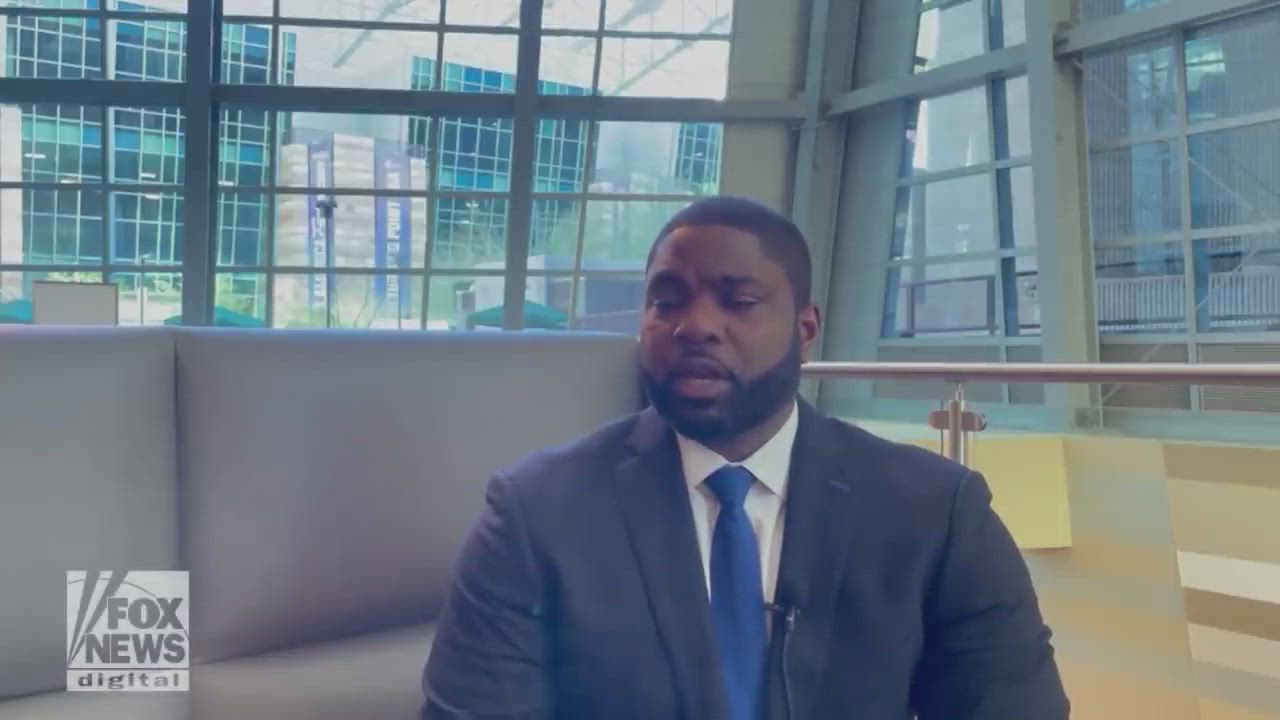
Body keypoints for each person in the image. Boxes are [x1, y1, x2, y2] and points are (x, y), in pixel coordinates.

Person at [422, 196, 1069, 720]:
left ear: (805, 330)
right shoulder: (538, 514)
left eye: (739, 302)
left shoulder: (935, 514)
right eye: (666, 301)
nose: (695, 326)